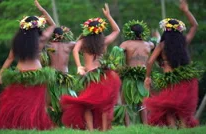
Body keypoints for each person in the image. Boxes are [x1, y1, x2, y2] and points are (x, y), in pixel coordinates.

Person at [0, 0, 57, 130]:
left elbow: (10, 58)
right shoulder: (41, 40)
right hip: (37, 74)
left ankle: (19, 126)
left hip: (19, 74)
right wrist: (41, 9)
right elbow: (53, 25)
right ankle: (32, 126)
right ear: (37, 27)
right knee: (34, 104)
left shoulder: (17, 41)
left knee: (19, 102)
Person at [60, 3, 121, 131]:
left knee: (87, 104)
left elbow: (75, 50)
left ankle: (92, 130)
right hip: (105, 74)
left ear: (87, 30)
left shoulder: (83, 41)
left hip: (90, 75)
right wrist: (108, 16)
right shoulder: (103, 41)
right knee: (104, 104)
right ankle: (104, 129)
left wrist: (79, 66)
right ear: (100, 30)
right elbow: (117, 31)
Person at [144, 0, 198, 128]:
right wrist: (186, 11)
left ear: (165, 31)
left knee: (167, 107)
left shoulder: (162, 45)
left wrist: (147, 77)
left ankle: (173, 128)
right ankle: (184, 128)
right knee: (181, 109)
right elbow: (195, 26)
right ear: (179, 31)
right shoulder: (183, 42)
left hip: (170, 80)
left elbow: (150, 61)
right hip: (184, 80)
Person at [34, 0, 76, 126]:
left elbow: (53, 27)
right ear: (64, 36)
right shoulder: (69, 45)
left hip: (51, 76)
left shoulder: (48, 45)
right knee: (66, 102)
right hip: (65, 76)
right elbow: (55, 27)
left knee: (47, 103)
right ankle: (66, 123)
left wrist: (42, 10)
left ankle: (50, 125)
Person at [115, 20, 157, 126]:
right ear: (142, 33)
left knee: (124, 101)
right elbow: (157, 41)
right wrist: (156, 36)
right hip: (143, 75)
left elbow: (116, 57)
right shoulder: (149, 45)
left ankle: (128, 125)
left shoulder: (125, 44)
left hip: (130, 75)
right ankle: (145, 124)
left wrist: (119, 69)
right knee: (142, 102)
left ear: (130, 33)